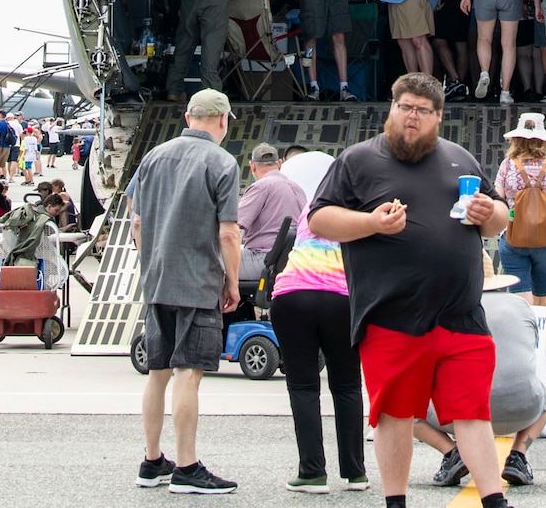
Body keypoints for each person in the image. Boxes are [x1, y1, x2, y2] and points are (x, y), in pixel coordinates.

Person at [309, 73, 512, 508]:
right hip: (391, 315)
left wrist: (488, 212)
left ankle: (495, 502)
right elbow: (319, 220)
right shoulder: (358, 161)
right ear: (392, 109)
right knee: (395, 415)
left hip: (461, 315)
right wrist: (371, 223)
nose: (411, 116)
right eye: (404, 107)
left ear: (439, 117)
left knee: (473, 413)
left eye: (422, 110)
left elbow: (500, 218)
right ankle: (396, 502)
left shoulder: (460, 158)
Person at [127, 88, 242, 495]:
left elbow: (137, 222)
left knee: (157, 373)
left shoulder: (153, 157)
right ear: (223, 120)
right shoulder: (222, 162)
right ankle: (188, 468)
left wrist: (150, 263)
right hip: (197, 282)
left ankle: (153, 459)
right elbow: (228, 232)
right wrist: (231, 281)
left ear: (187, 117)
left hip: (157, 279)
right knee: (188, 375)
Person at [414, 270, 546, 490]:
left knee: (407, 406)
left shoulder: (448, 307)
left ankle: (451, 453)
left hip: (464, 416)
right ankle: (518, 456)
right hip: (522, 409)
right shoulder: (520, 304)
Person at [270, 196, 368, 493]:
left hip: (293, 293)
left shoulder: (311, 207)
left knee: (302, 386)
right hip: (341, 295)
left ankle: (312, 472)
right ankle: (355, 473)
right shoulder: (363, 213)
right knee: (347, 384)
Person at [494, 113, 546, 353]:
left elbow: (498, 201)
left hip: (513, 238)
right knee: (544, 300)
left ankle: (525, 355)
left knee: (522, 302)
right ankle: (543, 359)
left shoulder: (508, 166)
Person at [237, 144, 308, 302]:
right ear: (280, 163)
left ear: (252, 166)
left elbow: (231, 226)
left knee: (208, 260)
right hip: (290, 262)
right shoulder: (298, 189)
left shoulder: (260, 187)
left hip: (262, 261)